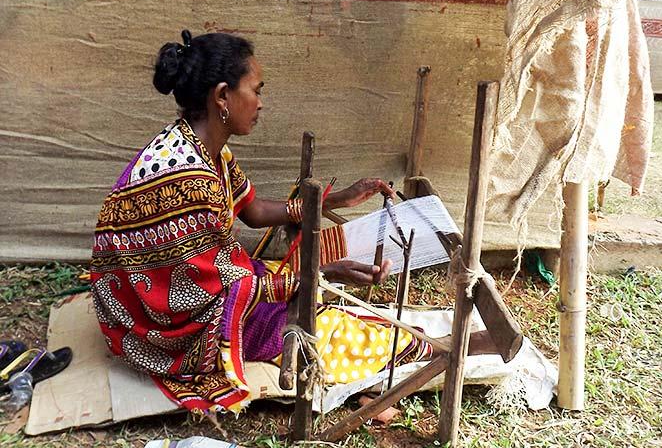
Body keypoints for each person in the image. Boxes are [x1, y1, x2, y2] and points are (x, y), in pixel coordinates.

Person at [90, 30, 427, 414]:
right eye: (256, 90)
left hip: (147, 295)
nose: (261, 104)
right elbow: (216, 291)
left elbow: (252, 211)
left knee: (303, 294)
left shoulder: (202, 147)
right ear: (222, 96)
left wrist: (335, 200)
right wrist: (321, 275)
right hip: (165, 329)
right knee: (328, 329)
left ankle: (403, 340)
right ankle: (430, 348)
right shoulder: (190, 179)